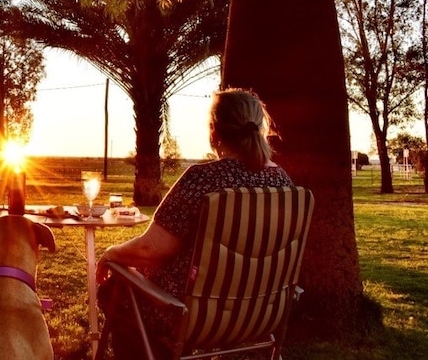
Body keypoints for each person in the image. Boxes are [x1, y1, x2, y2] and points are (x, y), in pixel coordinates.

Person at [96, 88, 293, 359]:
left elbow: (151, 250)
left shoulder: (203, 179)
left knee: (114, 291)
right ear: (260, 128)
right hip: (260, 314)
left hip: (193, 315)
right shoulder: (283, 183)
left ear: (215, 131)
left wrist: (111, 254)